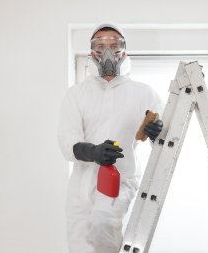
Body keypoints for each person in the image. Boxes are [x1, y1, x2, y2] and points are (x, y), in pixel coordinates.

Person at [57, 21, 165, 253]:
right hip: (80, 186)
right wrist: (92, 152)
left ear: (124, 51)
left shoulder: (142, 92)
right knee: (79, 246)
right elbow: (67, 141)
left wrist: (158, 133)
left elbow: (167, 137)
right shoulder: (76, 94)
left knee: (102, 224)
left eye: (114, 45)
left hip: (119, 178)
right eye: (101, 45)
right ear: (92, 52)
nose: (108, 51)